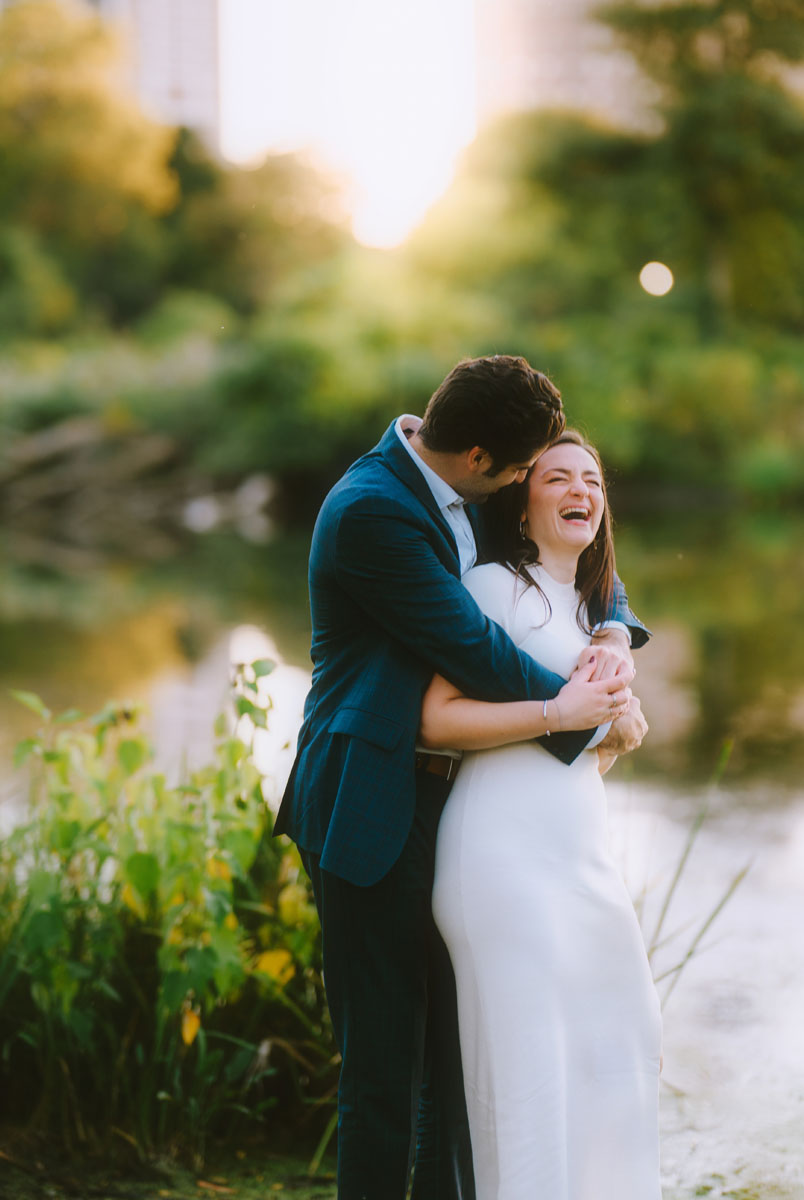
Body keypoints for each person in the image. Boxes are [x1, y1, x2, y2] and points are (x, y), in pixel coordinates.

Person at [274, 356, 649, 1200]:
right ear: (484, 461)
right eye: (526, 470)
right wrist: (588, 714)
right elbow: (472, 651)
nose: (533, 483)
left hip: (462, 810)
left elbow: (580, 556)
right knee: (383, 1069)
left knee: (460, 1056)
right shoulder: (371, 510)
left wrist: (616, 639)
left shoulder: (462, 491)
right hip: (369, 799)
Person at [424, 430, 662, 1200]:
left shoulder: (593, 614)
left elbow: (596, 741)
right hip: (500, 862)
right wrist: (563, 715)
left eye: (591, 479)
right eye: (557, 477)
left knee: (621, 1044)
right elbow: (435, 720)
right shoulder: (494, 587)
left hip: (580, 861)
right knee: (529, 1082)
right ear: (522, 505)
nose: (579, 491)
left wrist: (616, 723)